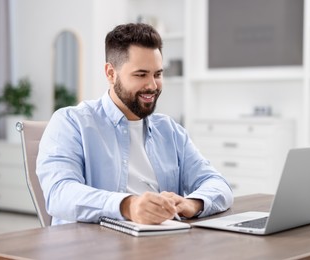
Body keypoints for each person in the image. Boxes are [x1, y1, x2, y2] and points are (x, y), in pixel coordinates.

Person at [37, 23, 233, 226]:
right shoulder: (71, 123)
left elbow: (218, 184)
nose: (152, 85)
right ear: (111, 74)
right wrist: (128, 206)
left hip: (160, 244)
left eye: (157, 74)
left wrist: (193, 203)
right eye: (141, 75)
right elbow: (59, 194)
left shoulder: (170, 131)